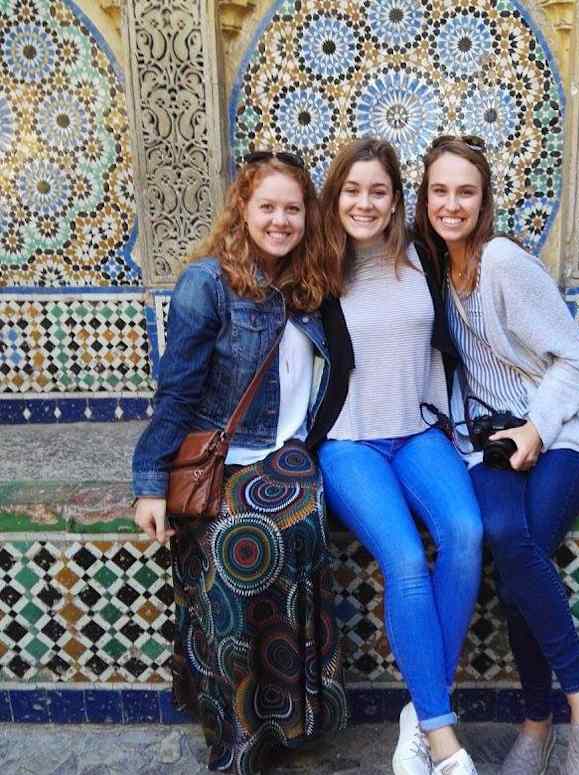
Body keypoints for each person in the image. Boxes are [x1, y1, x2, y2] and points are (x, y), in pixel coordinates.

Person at [132, 151, 347, 775]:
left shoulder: (314, 285)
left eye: (292, 208)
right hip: (224, 458)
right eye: (267, 207)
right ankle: (238, 735)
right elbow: (177, 391)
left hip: (289, 456)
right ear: (243, 210)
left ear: (308, 215)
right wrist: (150, 479)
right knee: (234, 544)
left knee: (284, 525)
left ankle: (285, 717)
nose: (280, 220)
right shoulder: (208, 282)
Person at [414, 135, 579, 775]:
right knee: (503, 533)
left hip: (559, 433)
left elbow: (576, 362)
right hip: (490, 440)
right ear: (424, 199)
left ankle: (571, 706)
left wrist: (535, 427)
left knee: (520, 541)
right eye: (440, 191)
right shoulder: (432, 268)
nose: (452, 204)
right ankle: (551, 713)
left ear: (484, 200)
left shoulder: (501, 261)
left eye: (465, 192)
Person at [306, 137, 483, 775]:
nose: (364, 202)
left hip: (415, 432)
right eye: (352, 190)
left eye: (377, 190)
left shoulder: (422, 255)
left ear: (395, 198)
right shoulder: (316, 268)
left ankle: (420, 708)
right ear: (335, 196)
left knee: (465, 532)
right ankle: (442, 737)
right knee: (406, 558)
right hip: (350, 442)